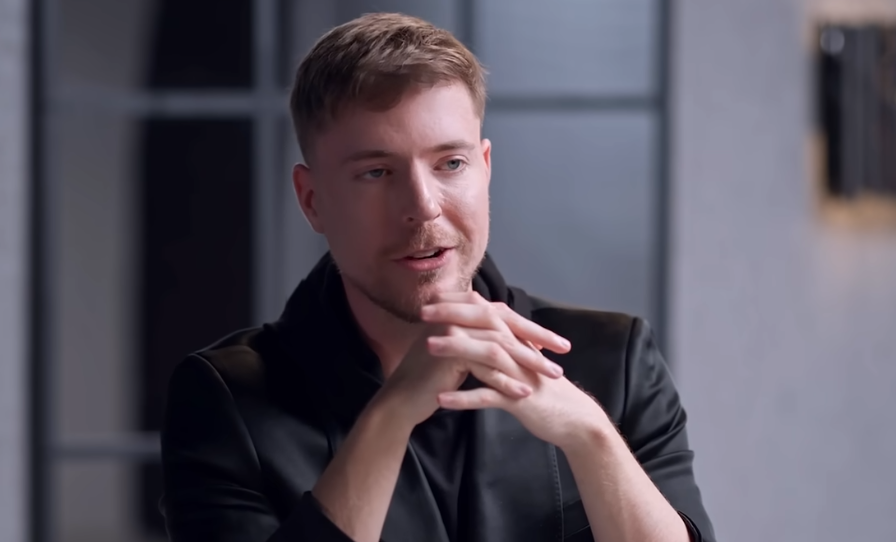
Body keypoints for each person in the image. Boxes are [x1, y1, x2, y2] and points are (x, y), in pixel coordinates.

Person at [159, 12, 715, 542]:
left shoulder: (616, 362)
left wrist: (589, 436)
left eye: (451, 163)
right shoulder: (223, 398)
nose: (424, 207)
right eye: (377, 172)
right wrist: (392, 413)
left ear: (485, 168)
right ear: (312, 200)